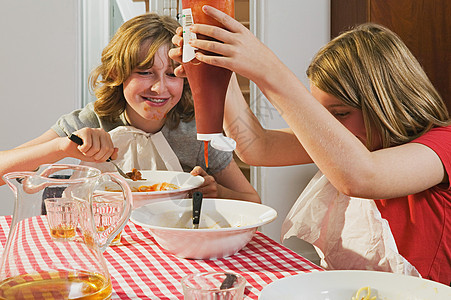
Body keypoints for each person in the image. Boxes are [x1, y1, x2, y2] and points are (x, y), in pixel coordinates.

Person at [169, 6, 451, 283]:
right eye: (322, 115)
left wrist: (268, 70)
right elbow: (256, 146)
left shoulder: (443, 144)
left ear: (387, 102)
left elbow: (362, 176)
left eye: (340, 114)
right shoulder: (354, 144)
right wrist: (218, 67)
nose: (329, 128)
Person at [0, 12, 260, 204]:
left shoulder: (196, 131)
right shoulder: (91, 121)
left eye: (172, 75)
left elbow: (253, 201)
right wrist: (63, 147)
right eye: (145, 72)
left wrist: (219, 193)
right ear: (117, 73)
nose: (160, 88)